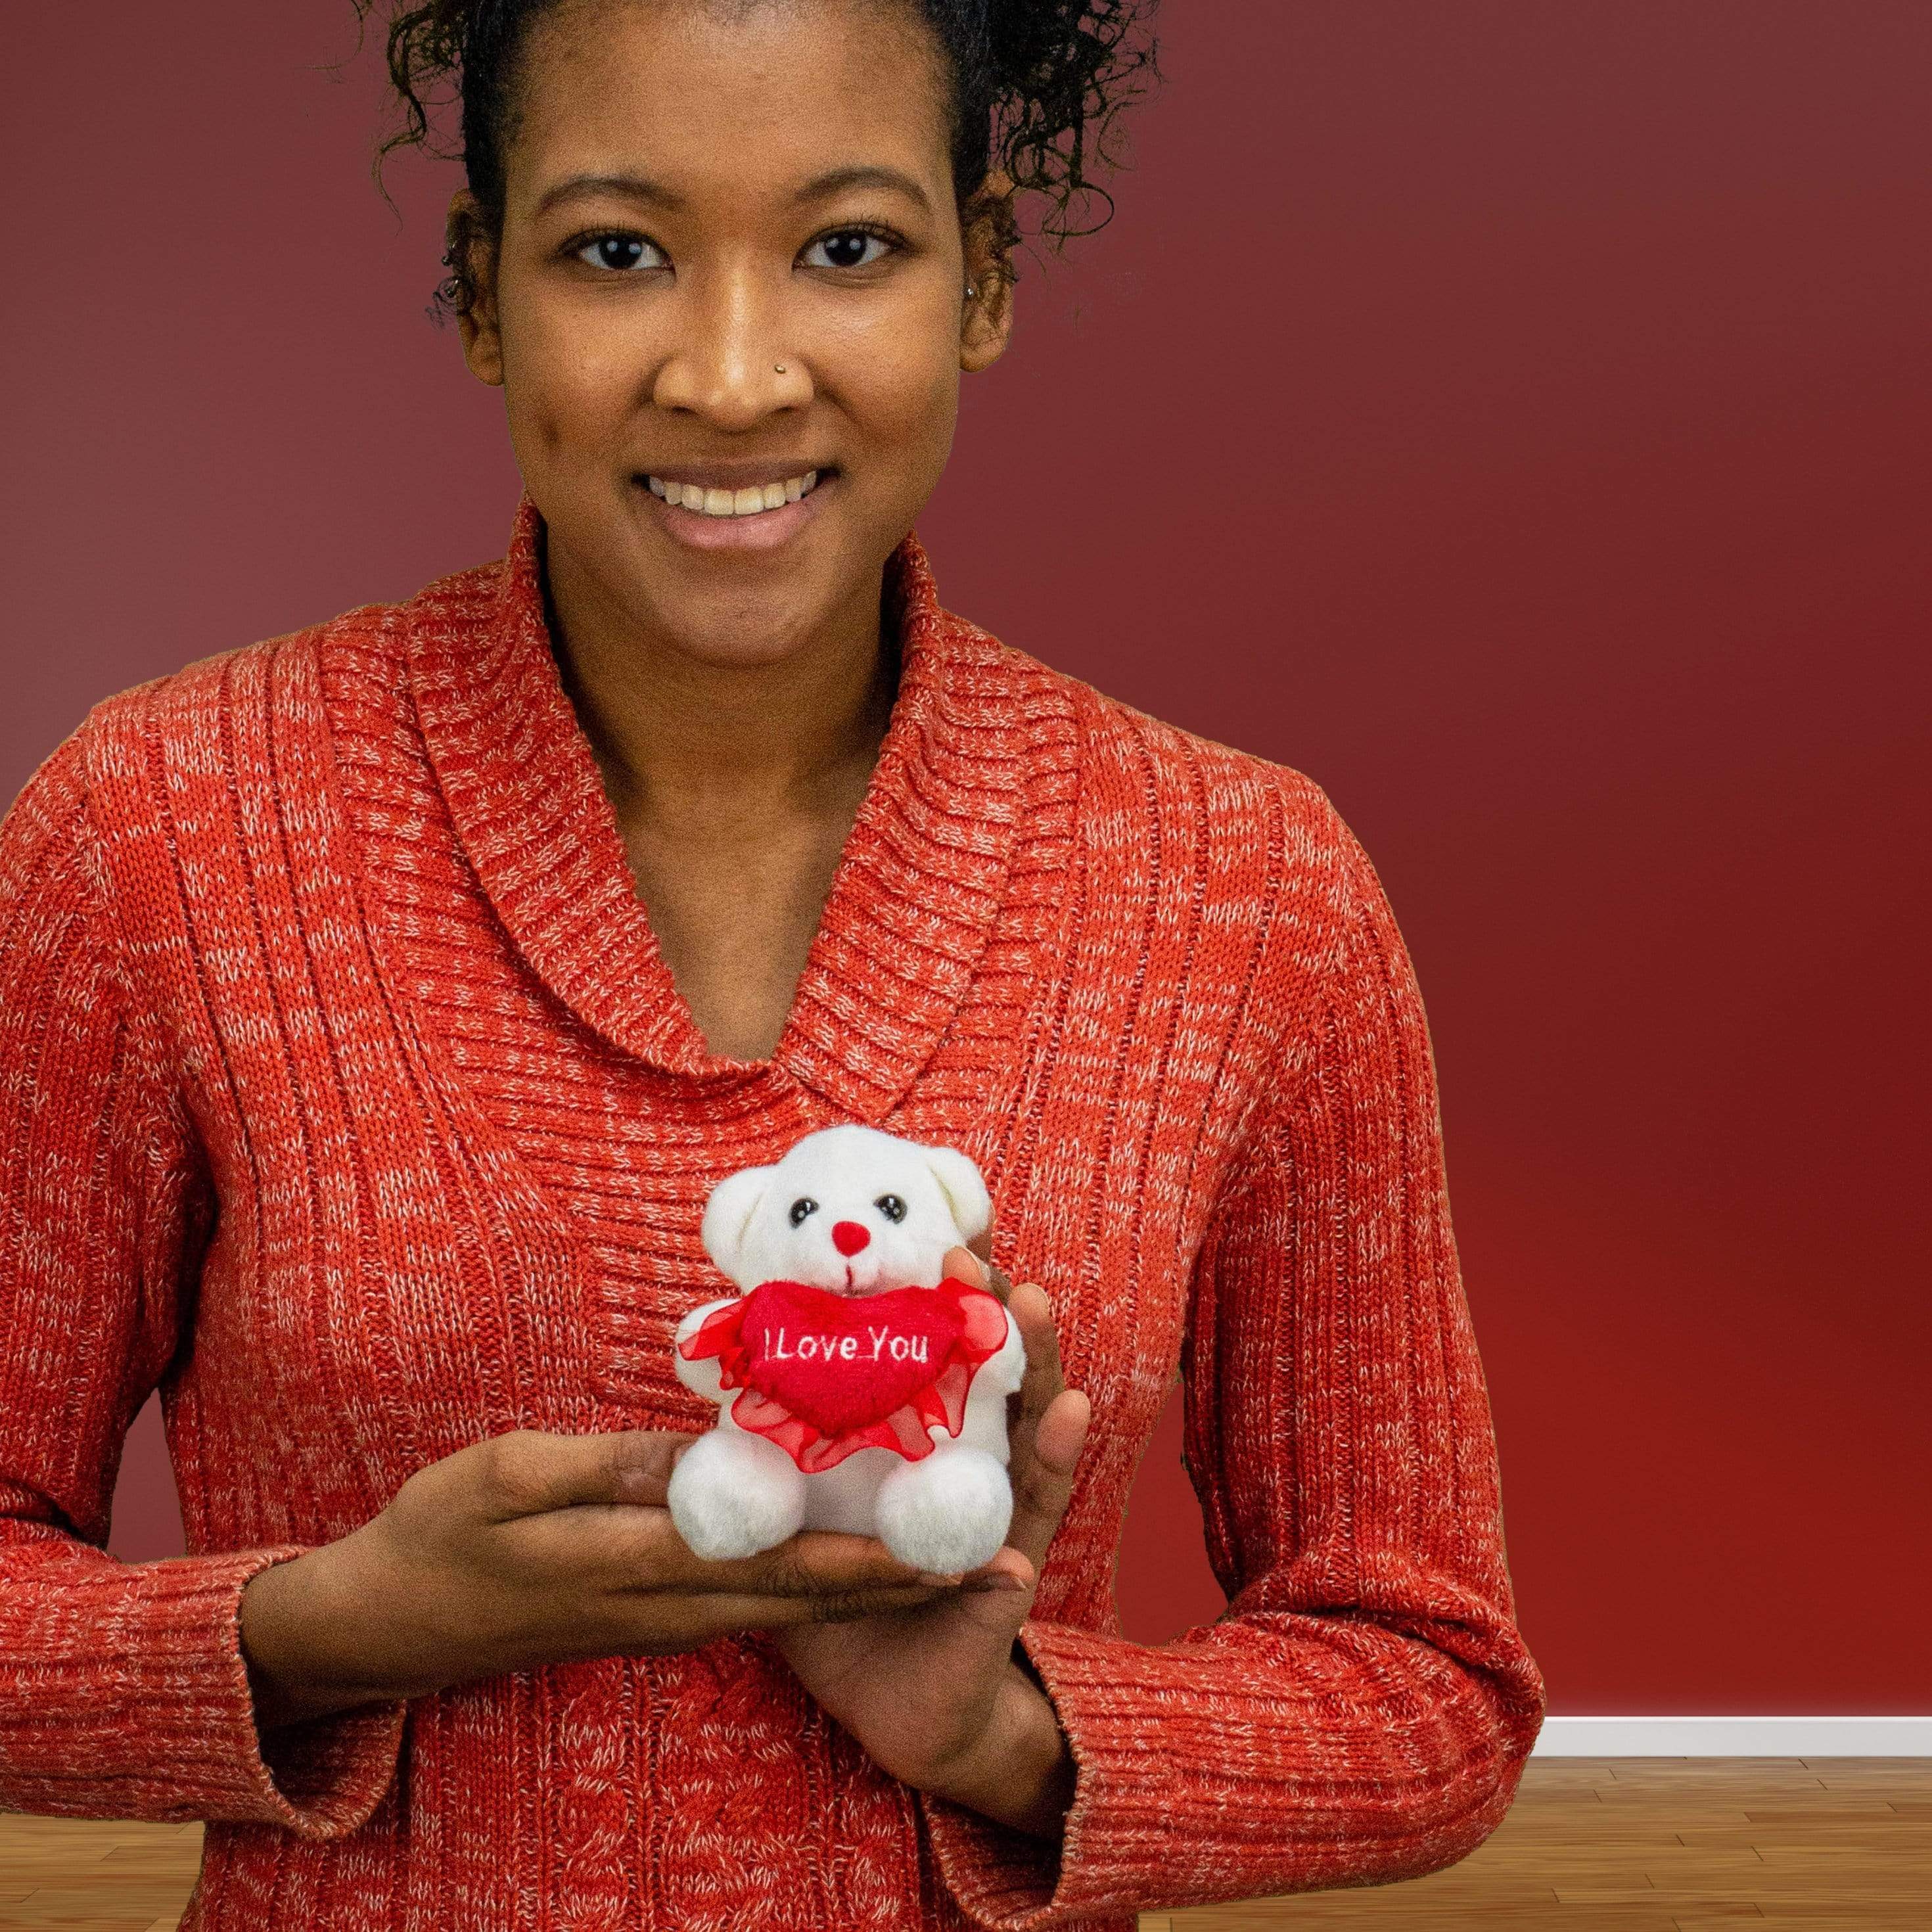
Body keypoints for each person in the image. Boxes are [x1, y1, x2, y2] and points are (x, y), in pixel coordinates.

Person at [0, 1, 1547, 1926]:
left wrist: (997, 1732)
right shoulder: (160, 829)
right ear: (484, 296)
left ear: (981, 276)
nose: (733, 377)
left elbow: (1431, 1686)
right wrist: (335, 1626)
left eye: (847, 248)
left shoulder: (1250, 883)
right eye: (617, 251)